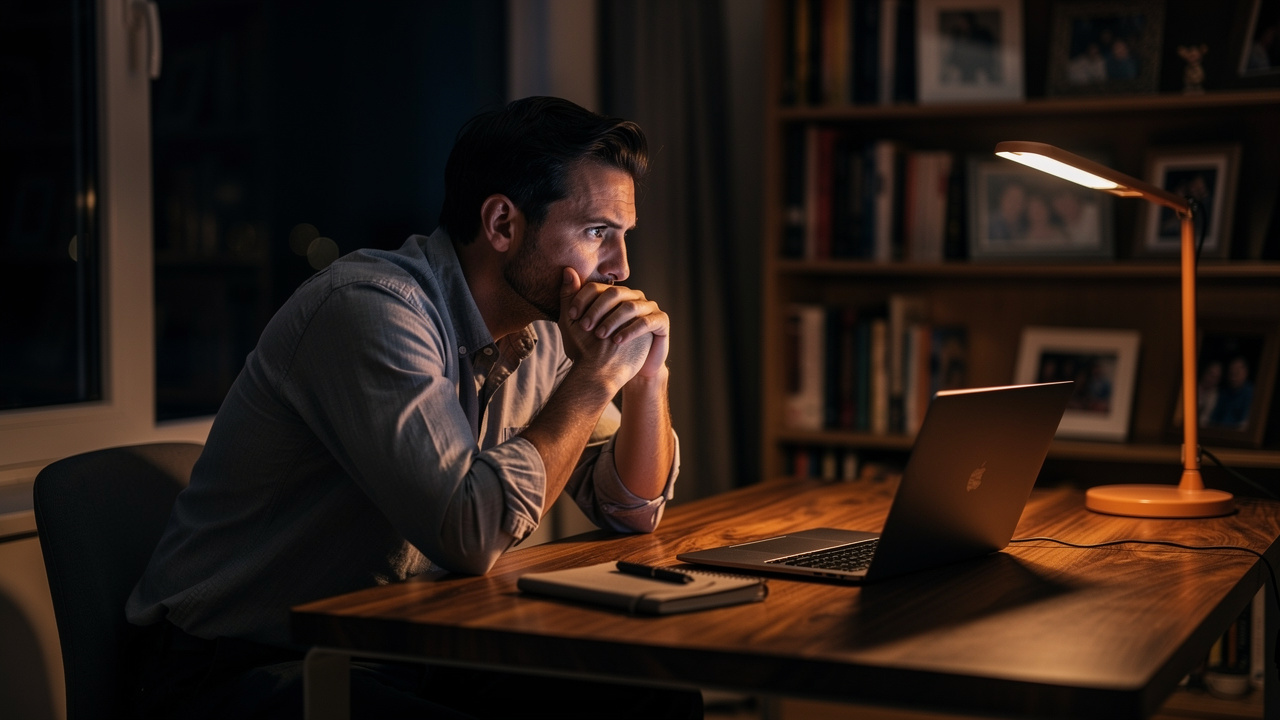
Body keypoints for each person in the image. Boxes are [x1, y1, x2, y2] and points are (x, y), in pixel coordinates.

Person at [126, 96, 702, 719]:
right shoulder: (372, 309)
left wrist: (647, 377)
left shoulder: (544, 332)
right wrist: (592, 382)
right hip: (238, 665)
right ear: (503, 225)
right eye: (597, 233)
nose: (620, 267)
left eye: (622, 237)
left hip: (405, 642)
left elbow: (630, 511)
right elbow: (470, 534)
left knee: (653, 700)